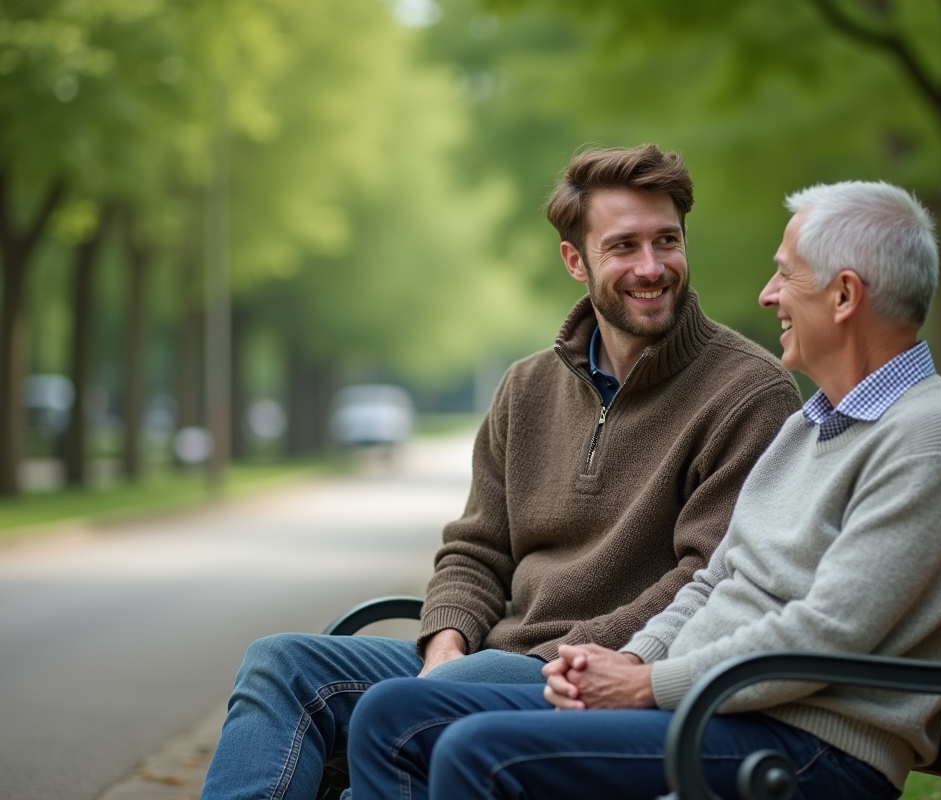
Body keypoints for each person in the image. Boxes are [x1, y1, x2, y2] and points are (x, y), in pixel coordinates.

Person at [342, 180, 941, 800]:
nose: (767, 295)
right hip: (719, 709)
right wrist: (629, 659)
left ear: (843, 296)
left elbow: (826, 634)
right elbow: (714, 579)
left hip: (809, 746)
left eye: (784, 273)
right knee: (391, 716)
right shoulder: (813, 429)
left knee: (474, 751)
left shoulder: (930, 437)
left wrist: (643, 684)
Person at [199, 144, 802, 800]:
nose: (652, 268)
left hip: (610, 674)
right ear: (576, 260)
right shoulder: (526, 387)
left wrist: (545, 658)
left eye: (667, 241)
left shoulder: (748, 392)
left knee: (414, 713)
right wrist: (446, 643)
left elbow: (711, 578)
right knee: (281, 664)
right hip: (492, 657)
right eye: (624, 246)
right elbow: (475, 548)